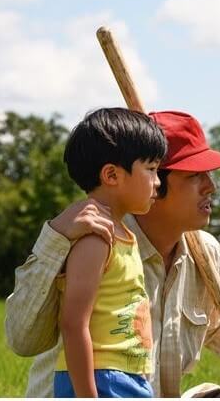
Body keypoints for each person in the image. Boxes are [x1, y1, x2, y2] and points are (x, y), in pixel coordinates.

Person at [5, 110, 220, 398]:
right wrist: (55, 239)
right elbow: (22, 340)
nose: (211, 186)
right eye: (194, 175)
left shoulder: (206, 253)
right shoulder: (94, 238)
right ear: (156, 182)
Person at [53, 108, 167, 397]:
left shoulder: (123, 235)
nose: (158, 182)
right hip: (101, 378)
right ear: (112, 175)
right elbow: (73, 323)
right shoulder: (96, 238)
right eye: (151, 169)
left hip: (126, 376)